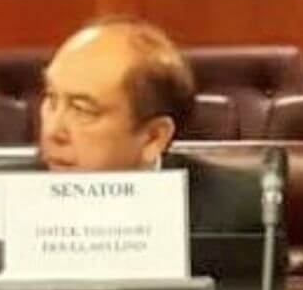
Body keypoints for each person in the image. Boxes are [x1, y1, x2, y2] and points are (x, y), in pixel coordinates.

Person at [34, 17, 278, 267]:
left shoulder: (236, 213)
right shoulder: (10, 200)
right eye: (51, 99)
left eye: (82, 110)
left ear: (153, 138)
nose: (52, 131)